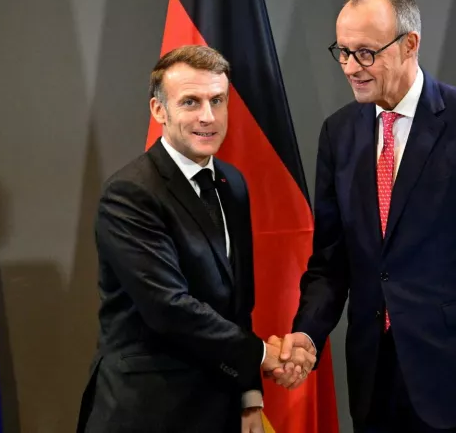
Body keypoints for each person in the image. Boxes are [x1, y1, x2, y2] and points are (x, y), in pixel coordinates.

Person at [277, 0, 456, 432]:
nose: (350, 68)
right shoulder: (338, 134)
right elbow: (330, 262)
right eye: (342, 52)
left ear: (409, 45)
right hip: (372, 381)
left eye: (365, 53)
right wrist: (306, 334)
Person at [76, 45, 315, 433]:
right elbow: (168, 307)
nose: (208, 116)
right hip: (146, 411)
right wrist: (264, 354)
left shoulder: (232, 183)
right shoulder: (130, 193)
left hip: (217, 407)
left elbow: (237, 304)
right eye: (190, 102)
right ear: (159, 111)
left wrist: (248, 395)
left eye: (217, 100)